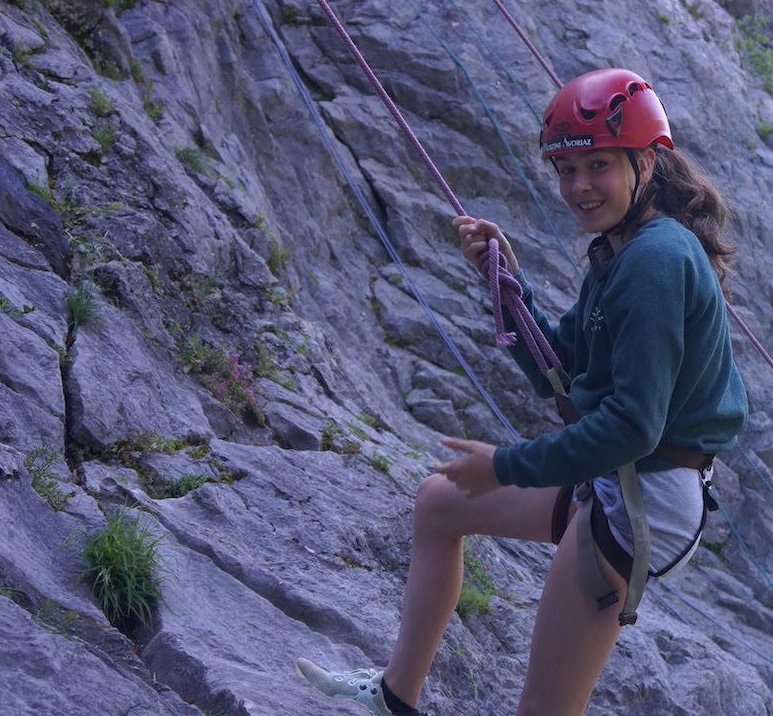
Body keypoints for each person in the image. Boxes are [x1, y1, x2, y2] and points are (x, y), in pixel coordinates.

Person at [296, 67, 748, 716]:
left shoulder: (655, 260)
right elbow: (558, 369)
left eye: (598, 166)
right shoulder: (622, 251)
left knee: (544, 707)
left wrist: (505, 466)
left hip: (643, 497)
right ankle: (394, 695)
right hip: (623, 476)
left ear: (645, 162)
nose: (579, 187)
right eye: (566, 170)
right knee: (440, 502)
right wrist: (501, 278)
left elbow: (632, 424)